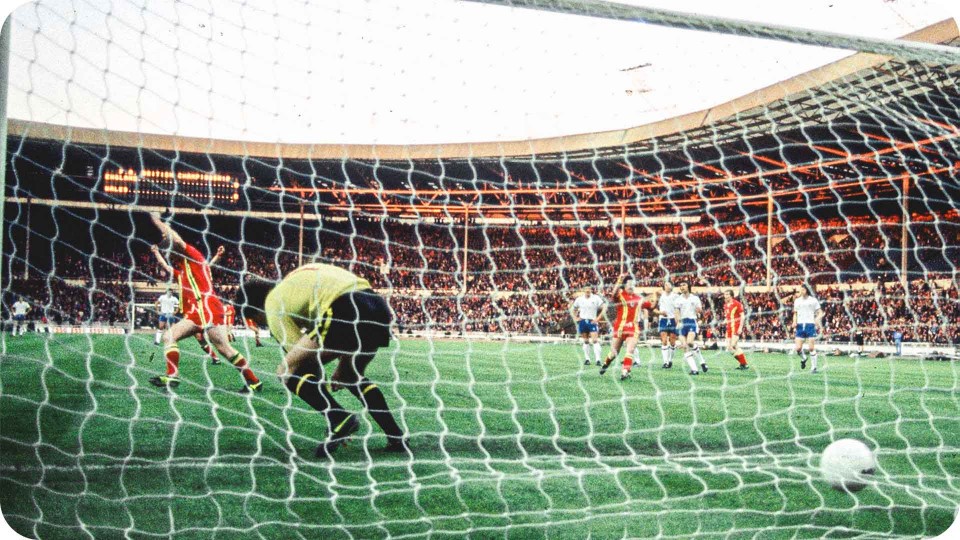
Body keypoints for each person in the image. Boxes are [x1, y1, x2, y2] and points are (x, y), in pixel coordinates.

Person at [237, 263, 407, 457]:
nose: (260, 324)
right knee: (349, 376)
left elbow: (301, 362)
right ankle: (395, 436)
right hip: (377, 306)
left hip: (345, 306)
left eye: (256, 320)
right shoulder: (293, 287)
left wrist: (323, 397)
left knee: (286, 370)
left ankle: (339, 418)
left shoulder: (272, 304)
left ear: (256, 309)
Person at [146, 213, 261, 392]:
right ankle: (254, 381)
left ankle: (173, 375)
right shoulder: (183, 271)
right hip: (202, 310)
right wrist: (156, 252)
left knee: (174, 337)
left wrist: (157, 221)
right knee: (221, 348)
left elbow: (176, 240)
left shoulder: (192, 255)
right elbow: (167, 266)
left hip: (205, 307)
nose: (170, 252)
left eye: (170, 249)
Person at [599, 275, 647, 381]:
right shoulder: (620, 296)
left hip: (633, 328)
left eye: (633, 284)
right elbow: (613, 294)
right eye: (629, 284)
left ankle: (625, 371)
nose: (631, 286)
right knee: (613, 353)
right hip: (620, 328)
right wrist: (619, 280)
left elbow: (649, 306)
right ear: (624, 285)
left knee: (630, 350)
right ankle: (605, 364)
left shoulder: (638, 298)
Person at [674, 281, 707, 375]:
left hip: (692, 321)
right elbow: (676, 312)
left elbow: (700, 311)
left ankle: (702, 361)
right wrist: (678, 322)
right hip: (682, 323)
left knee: (690, 342)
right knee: (685, 346)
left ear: (688, 286)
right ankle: (694, 369)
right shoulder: (678, 299)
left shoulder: (695, 298)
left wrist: (700, 313)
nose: (682, 287)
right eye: (680, 285)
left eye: (684, 285)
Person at [570, 286, 606, 366]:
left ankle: (598, 360)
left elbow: (604, 308)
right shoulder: (579, 299)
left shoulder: (596, 298)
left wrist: (598, 318)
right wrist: (575, 318)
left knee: (595, 340)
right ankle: (587, 359)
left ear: (591, 290)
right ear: (584, 290)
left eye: (589, 289)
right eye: (586, 289)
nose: (587, 290)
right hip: (582, 321)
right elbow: (573, 309)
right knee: (586, 341)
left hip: (592, 321)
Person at [792, 286, 824, 373]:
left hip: (810, 325)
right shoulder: (797, 301)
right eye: (800, 289)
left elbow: (820, 313)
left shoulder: (813, 300)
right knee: (798, 348)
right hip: (800, 325)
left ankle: (814, 368)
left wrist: (817, 319)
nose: (801, 291)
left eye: (803, 289)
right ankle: (804, 358)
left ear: (807, 290)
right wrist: (794, 321)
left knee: (811, 348)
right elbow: (795, 313)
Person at [722, 290, 749, 370]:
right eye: (725, 294)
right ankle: (743, 364)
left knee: (733, 345)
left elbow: (742, 316)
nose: (725, 296)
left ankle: (744, 364)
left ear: (731, 295)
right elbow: (727, 316)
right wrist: (724, 321)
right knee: (729, 348)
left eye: (727, 294)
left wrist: (740, 327)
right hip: (729, 327)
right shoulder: (725, 305)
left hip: (736, 326)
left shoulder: (737, 304)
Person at [656, 282, 679, 369]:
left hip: (673, 319)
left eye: (669, 285)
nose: (667, 286)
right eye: (666, 285)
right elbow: (655, 307)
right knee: (664, 340)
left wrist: (678, 318)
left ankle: (670, 360)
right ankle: (665, 362)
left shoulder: (676, 296)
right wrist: (660, 312)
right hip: (663, 319)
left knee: (672, 342)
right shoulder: (661, 296)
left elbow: (678, 308)